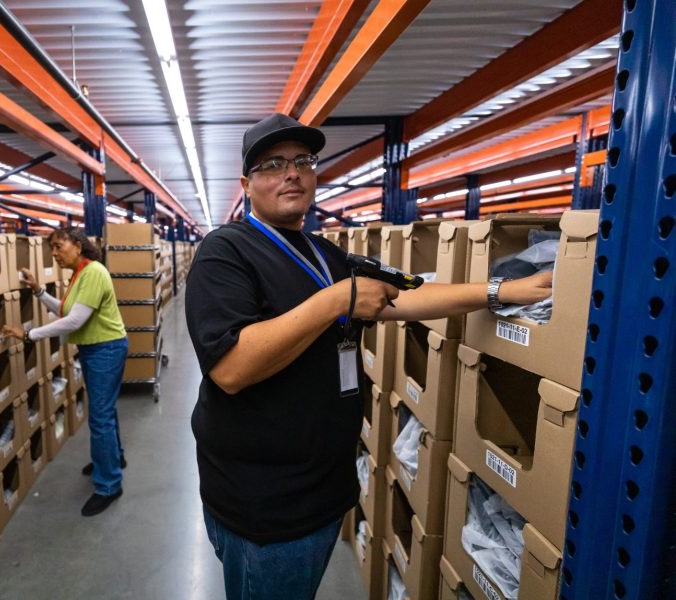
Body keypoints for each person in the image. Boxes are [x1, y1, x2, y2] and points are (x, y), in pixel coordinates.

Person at [184, 113, 553, 600]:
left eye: (302, 161)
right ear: (246, 184)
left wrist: (502, 289)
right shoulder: (225, 251)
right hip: (266, 504)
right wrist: (336, 301)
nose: (291, 172)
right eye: (272, 164)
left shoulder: (324, 253)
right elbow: (231, 369)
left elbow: (405, 295)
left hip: (322, 489)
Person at [2, 227, 129, 517]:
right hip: (95, 349)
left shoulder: (94, 272)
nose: (55, 254)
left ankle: (109, 484)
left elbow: (74, 321)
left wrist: (28, 334)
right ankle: (112, 459)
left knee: (99, 417)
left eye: (59, 247)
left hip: (105, 349)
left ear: (78, 245)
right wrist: (38, 291)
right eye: (52, 249)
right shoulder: (80, 274)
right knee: (105, 411)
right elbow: (65, 310)